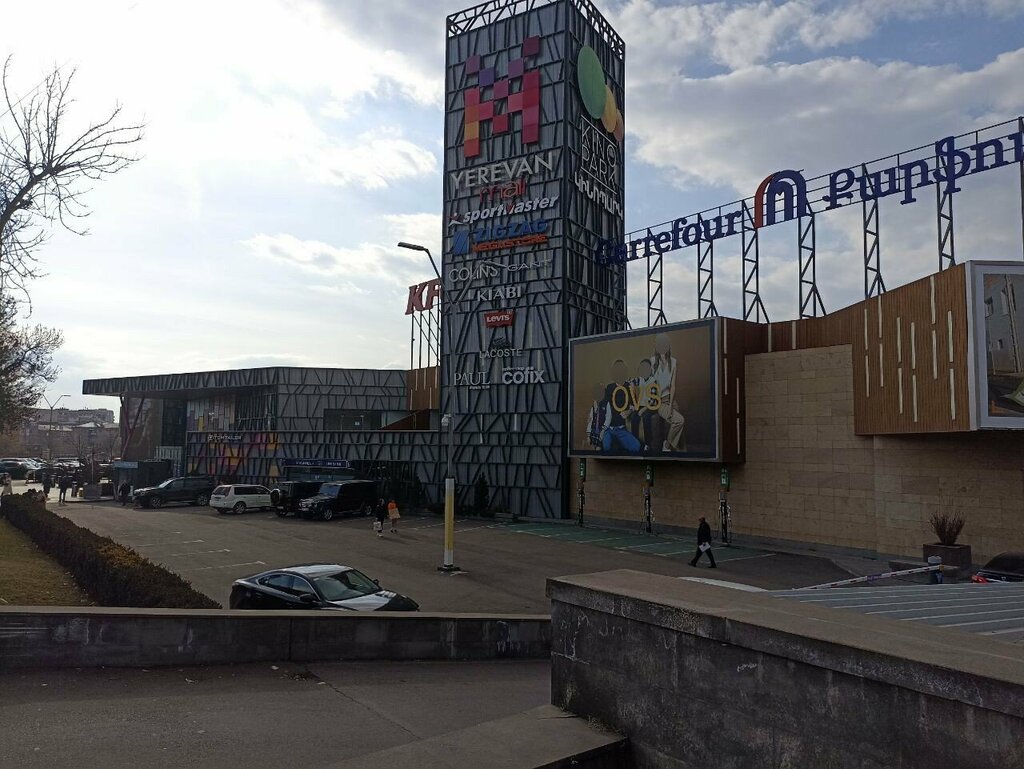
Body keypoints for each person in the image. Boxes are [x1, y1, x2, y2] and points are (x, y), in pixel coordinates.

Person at [649, 333, 687, 452]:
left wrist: (671, 405)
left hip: (670, 399)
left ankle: (676, 449)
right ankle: (667, 446)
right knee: (679, 420)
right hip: (658, 401)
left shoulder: (674, 362)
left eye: (664, 343)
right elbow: (649, 384)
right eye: (659, 344)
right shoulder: (652, 361)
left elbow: (673, 386)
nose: (662, 346)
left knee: (678, 419)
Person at [600, 360, 643, 455]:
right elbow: (603, 406)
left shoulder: (629, 386)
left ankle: (620, 443)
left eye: (621, 370)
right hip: (609, 428)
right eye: (617, 370)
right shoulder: (610, 387)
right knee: (606, 448)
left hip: (621, 428)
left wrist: (629, 411)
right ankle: (617, 444)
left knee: (636, 447)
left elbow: (636, 406)